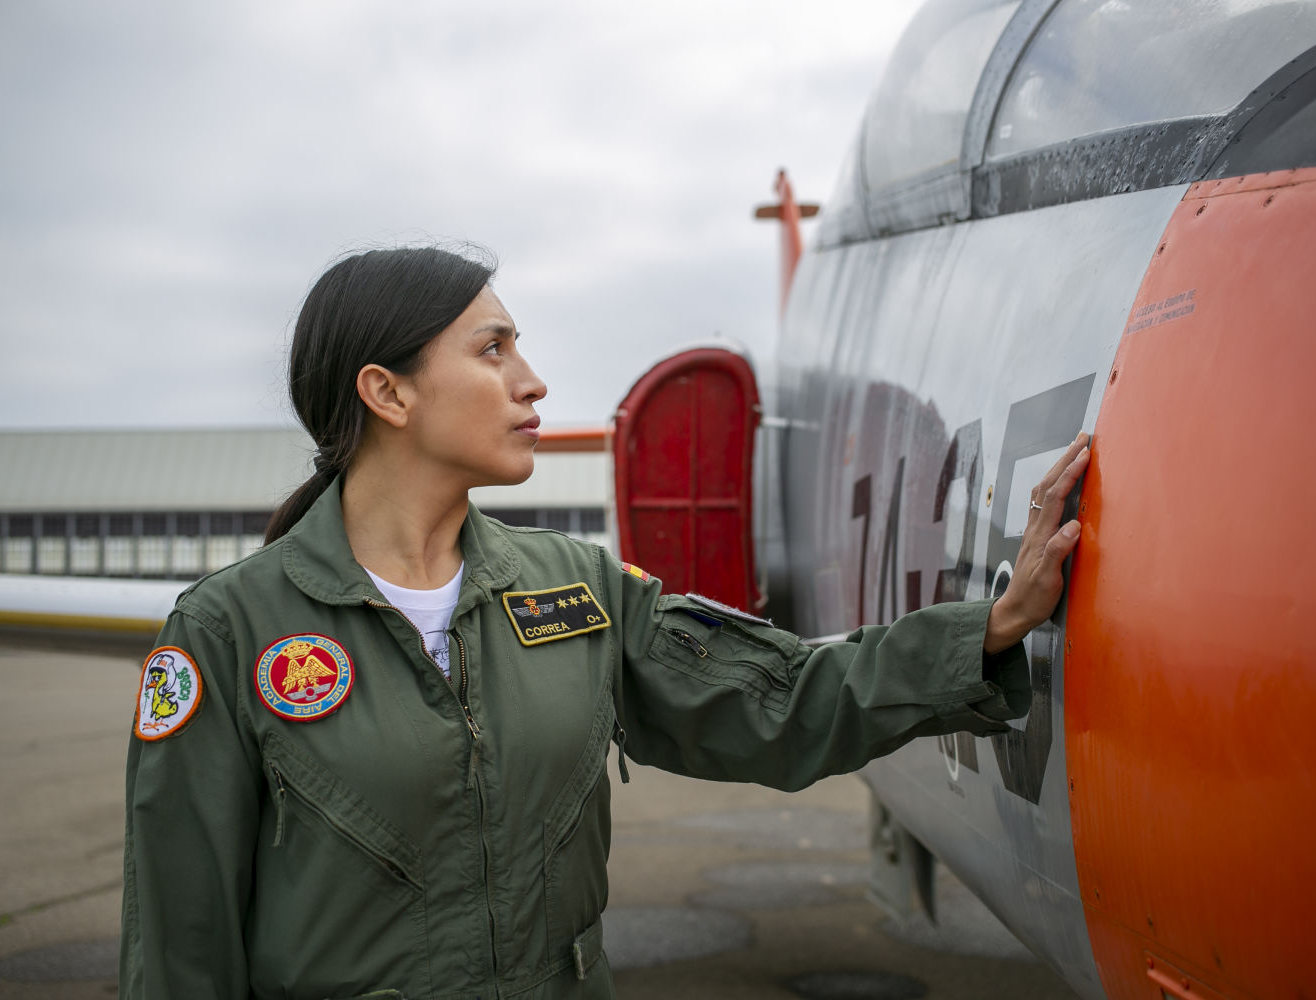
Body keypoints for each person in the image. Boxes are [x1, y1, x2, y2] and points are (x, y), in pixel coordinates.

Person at [120, 245, 1090, 1000]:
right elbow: (179, 945)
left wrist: (988, 630)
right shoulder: (226, 633)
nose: (532, 380)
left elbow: (781, 697)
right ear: (388, 391)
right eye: (492, 348)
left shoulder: (577, 593)